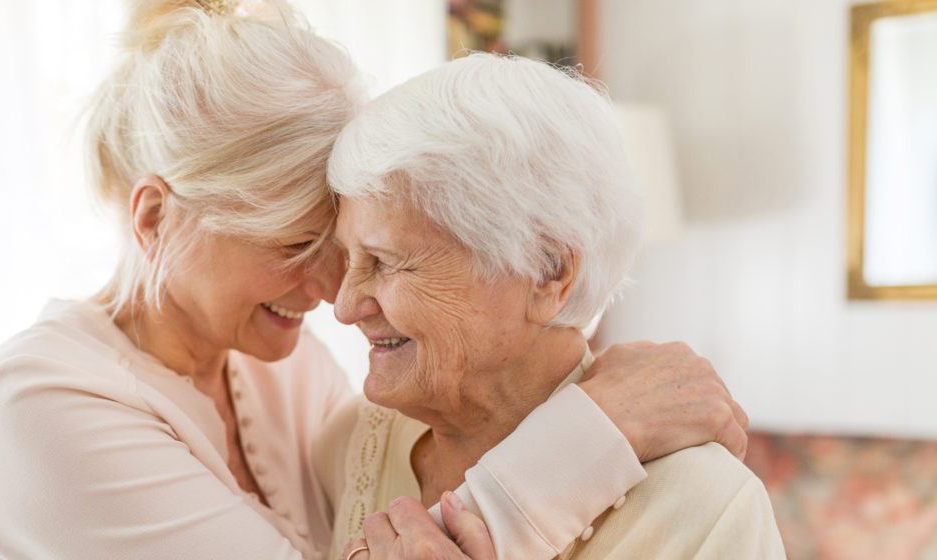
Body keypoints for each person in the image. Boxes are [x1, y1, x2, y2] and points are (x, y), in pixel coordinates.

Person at [0, 2, 751, 558]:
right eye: (298, 243)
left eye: (363, 250)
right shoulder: (43, 408)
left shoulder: (284, 371)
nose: (334, 293)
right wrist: (596, 431)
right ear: (155, 219)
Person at [317, 53, 785, 560]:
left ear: (547, 272)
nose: (345, 305)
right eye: (349, 258)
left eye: (386, 262)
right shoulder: (350, 445)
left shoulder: (708, 508)